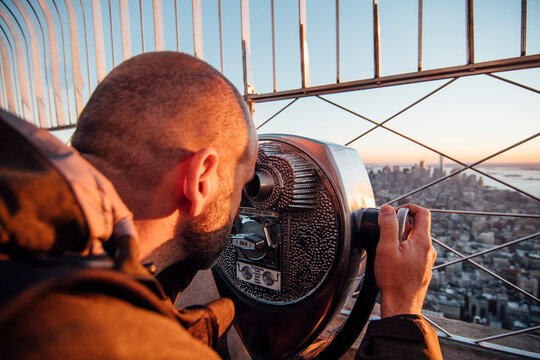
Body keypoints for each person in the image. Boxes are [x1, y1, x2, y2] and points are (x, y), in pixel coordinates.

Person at [0, 52, 441, 359]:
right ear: (201, 178)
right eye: (242, 184)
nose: (241, 211)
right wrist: (402, 311)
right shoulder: (120, 340)